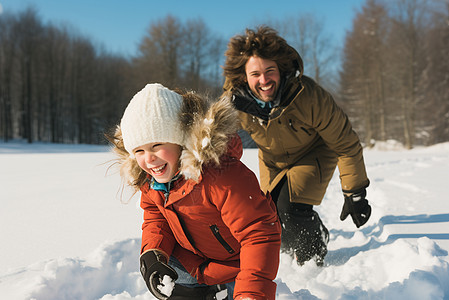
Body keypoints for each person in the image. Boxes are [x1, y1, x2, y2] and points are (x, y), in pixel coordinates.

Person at [108, 83, 281, 300]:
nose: (149, 159)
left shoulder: (222, 176)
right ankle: (202, 292)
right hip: (192, 263)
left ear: (180, 139)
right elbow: (156, 219)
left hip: (237, 265)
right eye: (139, 151)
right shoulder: (151, 180)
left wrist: (251, 293)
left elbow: (258, 233)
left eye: (157, 145)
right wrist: (154, 253)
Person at [222, 26, 371, 266]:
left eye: (270, 71)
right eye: (255, 74)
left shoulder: (309, 96)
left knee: (289, 209)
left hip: (313, 154)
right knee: (269, 214)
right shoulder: (234, 103)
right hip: (272, 159)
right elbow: (211, 141)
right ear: (243, 77)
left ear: (281, 69)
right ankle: (314, 231)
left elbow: (346, 144)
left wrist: (355, 192)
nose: (264, 80)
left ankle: (312, 261)